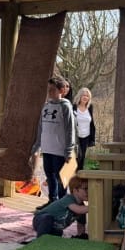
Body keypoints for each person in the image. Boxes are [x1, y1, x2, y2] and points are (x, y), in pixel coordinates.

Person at [31, 76, 75, 205]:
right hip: (47, 148)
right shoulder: (45, 107)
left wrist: (69, 150)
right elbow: (40, 128)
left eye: (52, 89)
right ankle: (52, 201)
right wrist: (37, 146)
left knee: (60, 177)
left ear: (61, 90)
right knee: (49, 176)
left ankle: (62, 203)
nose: (49, 92)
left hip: (59, 150)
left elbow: (70, 130)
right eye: (48, 89)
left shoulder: (65, 107)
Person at [73, 87, 96, 171]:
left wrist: (92, 139)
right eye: (84, 95)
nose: (85, 97)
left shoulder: (90, 107)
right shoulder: (74, 107)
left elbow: (92, 123)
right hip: (75, 137)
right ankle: (70, 176)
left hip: (86, 136)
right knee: (75, 158)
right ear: (80, 96)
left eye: (87, 96)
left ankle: (80, 176)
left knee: (82, 158)